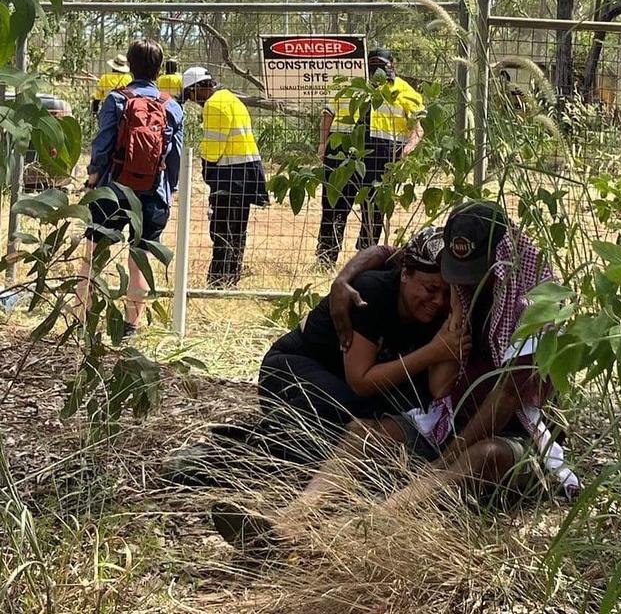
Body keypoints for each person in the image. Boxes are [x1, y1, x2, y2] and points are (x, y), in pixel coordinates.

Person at [211, 202, 580, 551]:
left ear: (502, 261)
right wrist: (344, 279)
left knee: (477, 456)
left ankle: (357, 535)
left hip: (517, 435)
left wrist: (447, 454)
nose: (459, 287)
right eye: (457, 277)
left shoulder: (535, 307)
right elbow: (439, 386)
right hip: (445, 419)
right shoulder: (455, 292)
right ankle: (290, 521)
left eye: (472, 277)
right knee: (363, 432)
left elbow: (508, 398)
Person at [258, 227, 469, 444]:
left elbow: (437, 389)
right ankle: (256, 444)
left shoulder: (441, 310)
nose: (438, 301)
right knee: (351, 412)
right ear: (405, 274)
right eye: (431, 289)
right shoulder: (371, 291)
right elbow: (361, 381)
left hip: (341, 383)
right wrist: (434, 352)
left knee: (400, 410)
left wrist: (457, 310)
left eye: (447, 292)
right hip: (291, 367)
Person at [74, 40, 184, 336]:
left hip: (114, 188)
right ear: (159, 69)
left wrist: (94, 177)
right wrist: (168, 189)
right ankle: (130, 326)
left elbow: (103, 144)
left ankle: (80, 318)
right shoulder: (171, 106)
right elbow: (175, 156)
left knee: (92, 254)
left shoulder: (116, 100)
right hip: (153, 192)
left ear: (129, 66)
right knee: (139, 259)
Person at [316, 47, 424, 264]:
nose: (377, 72)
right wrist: (322, 144)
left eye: (382, 66)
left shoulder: (405, 91)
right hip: (342, 150)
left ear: (392, 66)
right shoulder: (350, 85)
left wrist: (408, 149)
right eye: (372, 66)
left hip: (384, 153)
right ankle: (326, 257)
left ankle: (366, 258)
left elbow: (419, 128)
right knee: (334, 204)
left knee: (374, 209)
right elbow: (329, 113)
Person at [182, 66, 269, 288]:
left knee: (222, 228)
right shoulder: (230, 98)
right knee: (238, 228)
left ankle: (218, 281)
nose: (193, 101)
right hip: (248, 171)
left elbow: (213, 148)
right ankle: (232, 276)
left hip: (230, 174)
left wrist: (207, 169)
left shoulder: (214, 105)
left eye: (191, 95)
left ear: (198, 88)